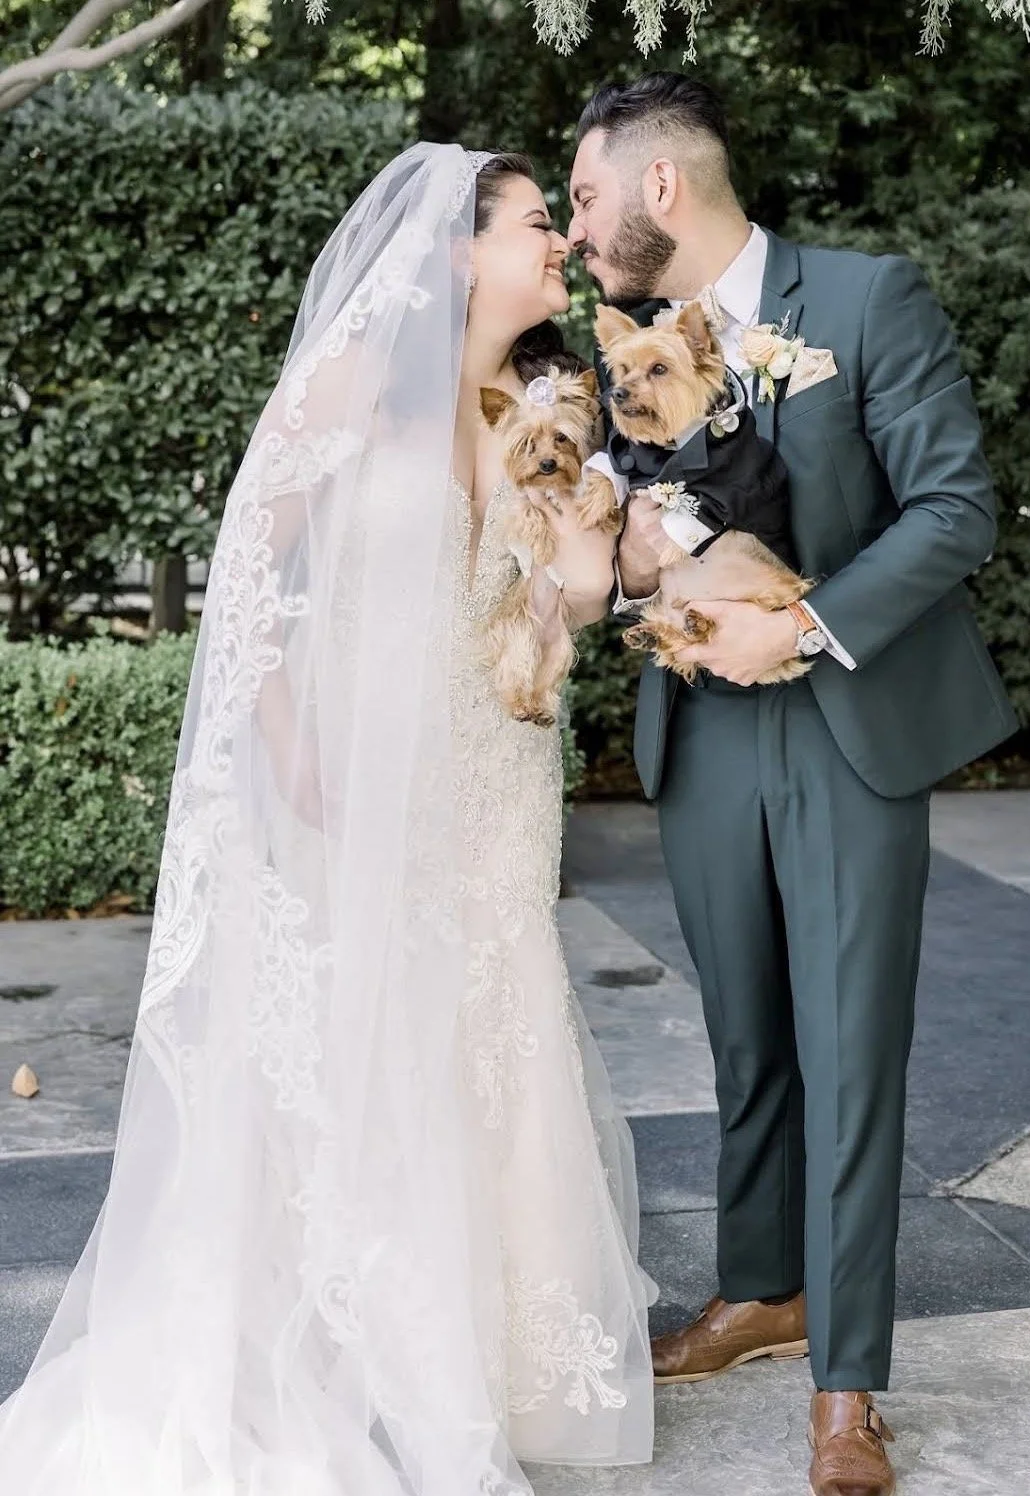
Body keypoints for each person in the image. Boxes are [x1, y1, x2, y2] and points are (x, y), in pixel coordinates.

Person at [0, 143, 653, 1496]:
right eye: (539, 224)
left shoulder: (546, 399)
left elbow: (564, 602)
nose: (559, 247)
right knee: (362, 1028)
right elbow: (256, 562)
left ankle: (483, 1360)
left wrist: (610, 545)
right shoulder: (355, 383)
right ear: (457, 250)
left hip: (492, 769)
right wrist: (285, 734)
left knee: (492, 1013)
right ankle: (349, 1344)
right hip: (353, 771)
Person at [568, 73, 1018, 1496]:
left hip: (844, 725)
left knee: (849, 1053)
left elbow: (955, 505)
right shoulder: (620, 345)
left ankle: (847, 1384)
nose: (574, 233)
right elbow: (616, 524)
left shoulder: (867, 300)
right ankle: (759, 1291)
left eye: (583, 200)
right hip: (697, 732)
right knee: (747, 1040)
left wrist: (804, 623)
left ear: (659, 189)